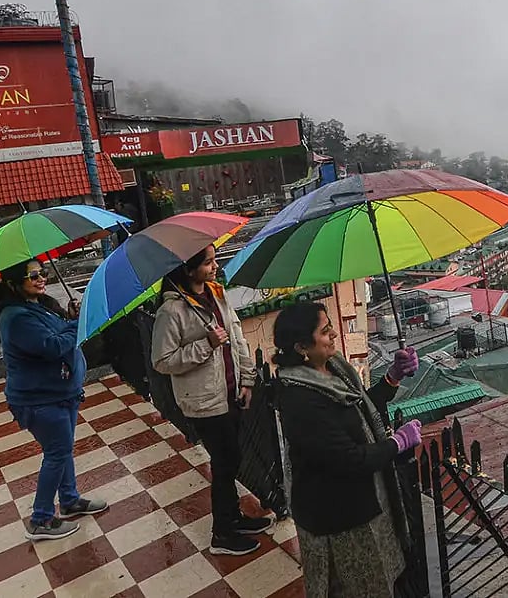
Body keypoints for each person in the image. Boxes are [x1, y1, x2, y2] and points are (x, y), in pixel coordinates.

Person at [273, 301, 421, 598]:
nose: (334, 335)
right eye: (325, 331)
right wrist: (397, 443)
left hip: (363, 503)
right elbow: (350, 459)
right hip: (337, 517)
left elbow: (358, 412)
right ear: (302, 346)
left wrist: (392, 377)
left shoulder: (334, 369)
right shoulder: (300, 401)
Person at [150, 244, 271, 556]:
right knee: (225, 463)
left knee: (230, 461)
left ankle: (233, 517)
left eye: (215, 260)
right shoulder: (172, 311)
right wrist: (205, 345)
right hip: (204, 402)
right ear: (188, 270)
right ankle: (223, 533)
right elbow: (162, 361)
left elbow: (238, 339)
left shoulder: (217, 294)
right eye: (208, 262)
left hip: (229, 392)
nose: (215, 266)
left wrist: (247, 380)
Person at [0, 260, 108, 541]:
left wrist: (69, 318)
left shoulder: (37, 305)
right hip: (39, 399)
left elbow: (57, 332)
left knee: (63, 450)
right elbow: (51, 346)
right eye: (33, 275)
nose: (42, 278)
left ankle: (69, 500)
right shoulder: (16, 317)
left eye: (44, 273)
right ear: (12, 283)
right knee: (56, 453)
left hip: (60, 393)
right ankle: (40, 518)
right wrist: (77, 324)